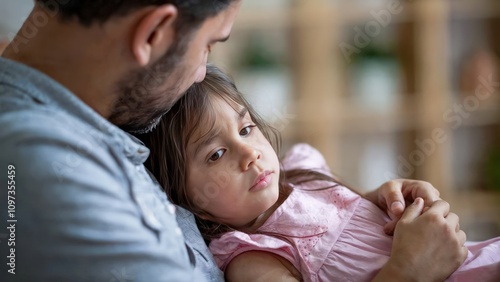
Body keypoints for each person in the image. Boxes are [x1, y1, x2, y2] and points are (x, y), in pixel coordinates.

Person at [0, 1, 467, 281]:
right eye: (209, 46)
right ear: (154, 33)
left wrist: (362, 207)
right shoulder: (45, 173)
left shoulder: (95, 122)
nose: (203, 73)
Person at [141, 65, 499, 281]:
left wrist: (385, 197)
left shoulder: (304, 172)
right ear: (189, 201)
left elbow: (348, 224)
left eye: (247, 129)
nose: (249, 154)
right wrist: (408, 270)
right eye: (216, 154)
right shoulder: (253, 258)